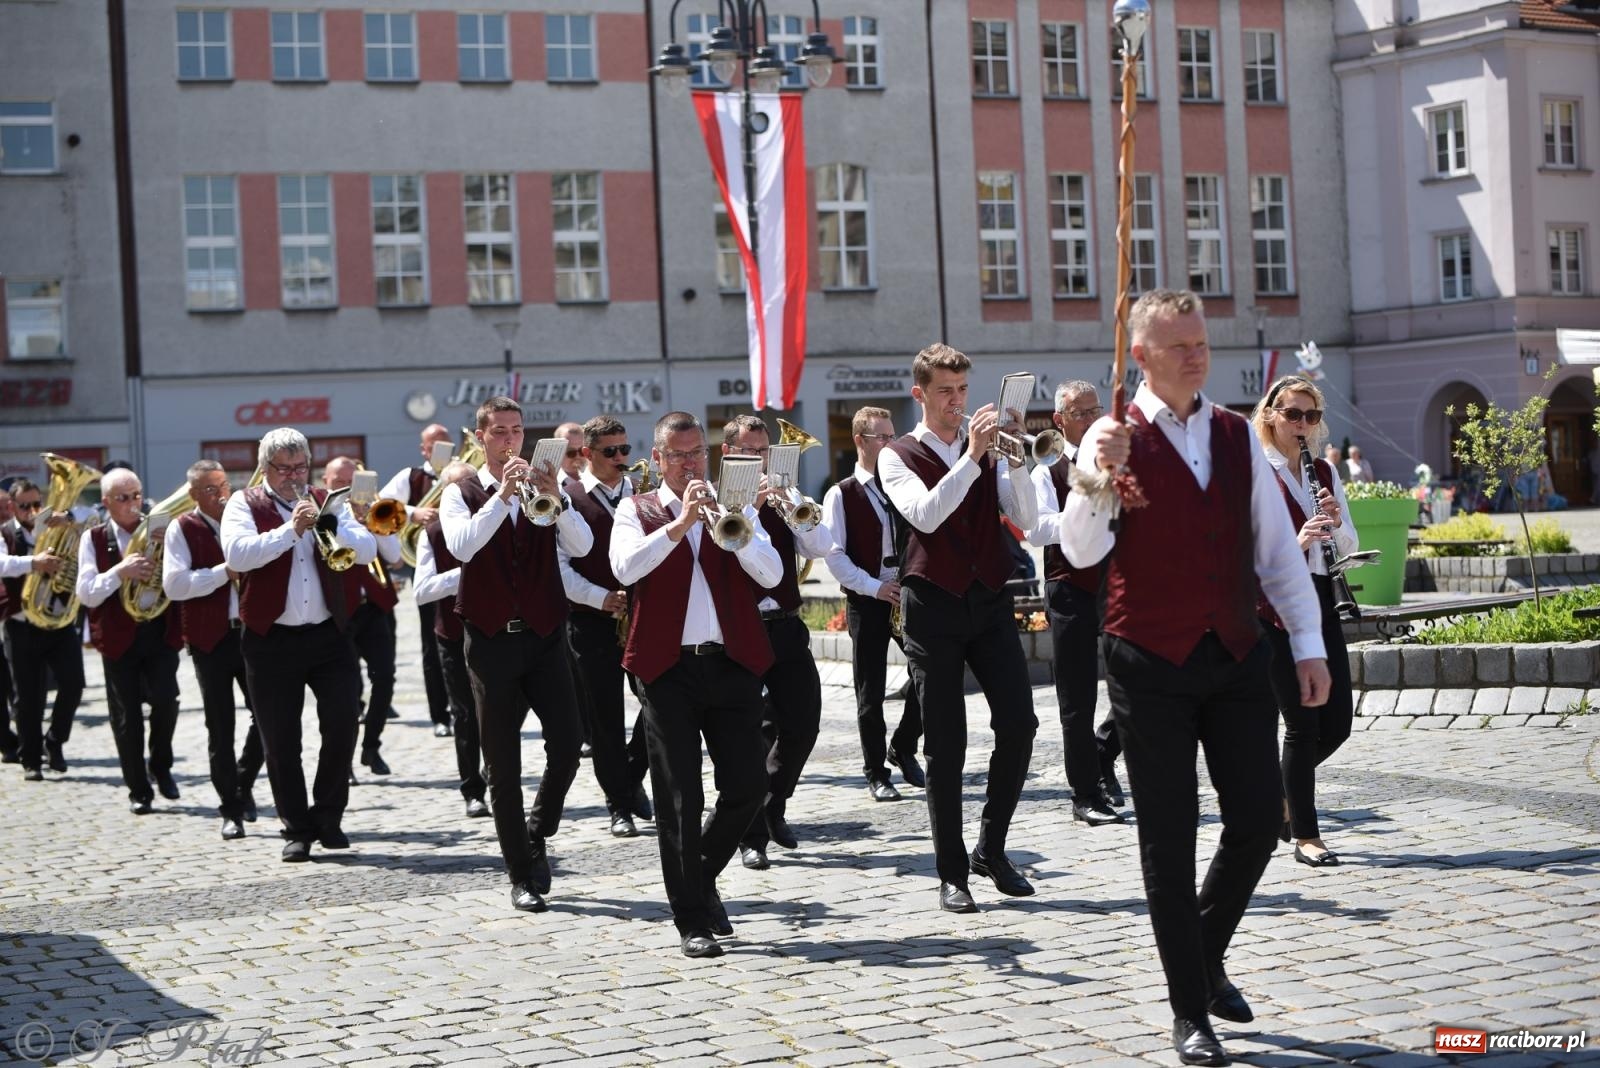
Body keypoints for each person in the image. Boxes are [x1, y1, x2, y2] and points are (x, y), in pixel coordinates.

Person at [1061, 289, 1331, 1067]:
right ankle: (1190, 1011)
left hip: (1238, 649)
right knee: (1168, 836)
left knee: (1256, 819)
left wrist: (1307, 645)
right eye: (1177, 344)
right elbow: (1079, 554)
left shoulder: (1236, 434)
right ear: (1139, 354)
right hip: (1147, 657)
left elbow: (1276, 551)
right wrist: (1091, 473)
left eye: (1201, 341)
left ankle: (1203, 952)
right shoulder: (1113, 437)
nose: (1195, 354)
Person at [609, 410, 781, 958]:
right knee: (681, 796)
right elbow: (624, 569)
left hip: (731, 662)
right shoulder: (634, 508)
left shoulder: (730, 509)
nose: (689, 464)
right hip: (667, 670)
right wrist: (679, 525)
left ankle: (699, 878)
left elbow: (771, 574)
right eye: (678, 455)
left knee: (749, 788)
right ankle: (691, 919)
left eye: (696, 454)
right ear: (658, 460)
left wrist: (730, 531)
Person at [878, 343, 1040, 914]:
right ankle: (952, 873)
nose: (958, 402)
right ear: (920, 394)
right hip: (933, 606)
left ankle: (990, 848)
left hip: (990, 599)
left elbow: (1025, 520)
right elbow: (924, 515)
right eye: (946, 391)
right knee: (946, 745)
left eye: (963, 390)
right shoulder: (895, 455)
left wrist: (1016, 462)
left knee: (1021, 723)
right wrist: (971, 456)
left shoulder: (990, 451)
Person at [440, 396, 593, 914]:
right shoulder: (460, 492)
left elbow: (584, 544)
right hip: (489, 641)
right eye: (500, 432)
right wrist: (501, 497)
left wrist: (559, 499)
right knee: (501, 765)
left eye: (517, 431)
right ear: (481, 437)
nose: (510, 441)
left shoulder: (546, 485)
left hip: (545, 633)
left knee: (570, 741)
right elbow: (461, 547)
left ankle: (538, 827)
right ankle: (520, 873)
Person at [223, 427, 377, 862]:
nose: (293, 476)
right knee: (281, 739)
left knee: (344, 723)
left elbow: (366, 550)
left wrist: (330, 525)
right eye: (284, 468)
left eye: (300, 466)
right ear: (265, 468)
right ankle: (296, 827)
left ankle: (329, 816)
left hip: (329, 633)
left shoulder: (327, 498)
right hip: (270, 638)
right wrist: (290, 531)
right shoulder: (243, 502)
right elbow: (237, 555)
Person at [1252, 377, 1358, 869]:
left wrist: (1335, 524)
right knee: (1300, 723)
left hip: (1318, 598)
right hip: (1273, 605)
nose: (1302, 425)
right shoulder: (1255, 469)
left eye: (1311, 417)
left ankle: (1276, 794)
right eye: (1293, 415)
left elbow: (1350, 547)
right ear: (1271, 414)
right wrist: (1294, 542)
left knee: (1338, 725)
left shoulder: (1324, 471)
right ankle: (1306, 835)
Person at [721, 415, 832, 870]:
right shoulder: (718, 498)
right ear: (729, 454)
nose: (759, 460)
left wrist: (791, 503)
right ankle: (751, 834)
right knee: (747, 734)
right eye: (749, 451)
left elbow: (821, 546)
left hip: (785, 625)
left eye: (764, 451)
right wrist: (748, 504)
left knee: (803, 722)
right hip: (740, 629)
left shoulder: (789, 496)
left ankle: (774, 803)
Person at [1024, 380, 1122, 827]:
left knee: (1139, 683)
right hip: (1070, 588)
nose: (1090, 420)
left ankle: (1102, 752)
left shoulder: (1115, 462)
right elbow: (1037, 530)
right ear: (1059, 421)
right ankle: (1084, 793)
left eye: (1095, 410)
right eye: (1080, 413)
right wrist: (1085, 511)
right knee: (1077, 698)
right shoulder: (1047, 469)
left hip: (1118, 585)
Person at [821, 405, 924, 802]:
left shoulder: (901, 482)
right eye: (881, 437)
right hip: (868, 599)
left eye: (892, 435)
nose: (889, 443)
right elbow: (834, 555)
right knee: (871, 690)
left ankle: (904, 746)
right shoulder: (841, 493)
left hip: (905, 592)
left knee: (927, 673)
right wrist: (873, 588)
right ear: (860, 441)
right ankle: (876, 771)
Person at [558, 415, 653, 838]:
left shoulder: (644, 494)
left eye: (625, 450)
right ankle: (619, 804)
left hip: (645, 620)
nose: (620, 458)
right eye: (610, 451)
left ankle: (630, 779)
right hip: (591, 622)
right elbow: (558, 568)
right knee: (605, 720)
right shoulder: (567, 496)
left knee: (658, 709)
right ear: (586, 455)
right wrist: (601, 598)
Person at [162, 460, 266, 838]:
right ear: (193, 495)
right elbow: (175, 585)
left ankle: (243, 781)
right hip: (210, 639)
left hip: (252, 633)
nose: (221, 494)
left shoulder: (245, 517)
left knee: (267, 717)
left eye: (223, 485)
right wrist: (225, 572)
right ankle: (231, 809)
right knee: (220, 726)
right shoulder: (182, 528)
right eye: (210, 489)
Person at [75, 467, 186, 814]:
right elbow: (86, 593)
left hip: (158, 630)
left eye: (136, 495)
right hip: (119, 637)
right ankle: (139, 789)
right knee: (127, 718)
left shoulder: (158, 529)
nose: (133, 504)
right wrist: (119, 572)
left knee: (167, 702)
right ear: (107, 502)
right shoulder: (92, 538)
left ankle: (161, 765)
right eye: (123, 498)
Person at [412, 461, 489, 820]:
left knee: (505, 710)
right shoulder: (432, 533)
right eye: (458, 489)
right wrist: (464, 575)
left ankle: (496, 774)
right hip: (453, 634)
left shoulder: (494, 520)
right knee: (465, 715)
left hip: (495, 633)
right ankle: (473, 790)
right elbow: (422, 591)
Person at [0, 477, 88, 781]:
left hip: (58, 620)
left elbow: (96, 516)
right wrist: (33, 563)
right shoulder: (4, 533)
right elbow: (1, 563)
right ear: (12, 506)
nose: (32, 511)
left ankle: (55, 740)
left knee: (74, 683)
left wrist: (71, 518)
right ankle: (31, 758)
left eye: (37, 504)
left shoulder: (57, 527)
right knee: (27, 696)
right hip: (22, 624)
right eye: (25, 506)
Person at [323, 456, 401, 777]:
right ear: (326, 482)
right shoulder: (324, 513)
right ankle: (347, 756)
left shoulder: (374, 509)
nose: (345, 488)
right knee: (347, 688)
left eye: (351, 481)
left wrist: (372, 519)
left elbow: (394, 556)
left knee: (384, 678)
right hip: (340, 610)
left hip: (375, 607)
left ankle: (372, 746)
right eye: (338, 481)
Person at [381, 422, 455, 738]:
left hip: (463, 564)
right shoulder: (410, 477)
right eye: (434, 444)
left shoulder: (463, 473)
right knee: (431, 642)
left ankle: (466, 707)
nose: (440, 449)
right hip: (426, 566)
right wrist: (414, 513)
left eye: (445, 443)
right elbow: (380, 509)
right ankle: (440, 714)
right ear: (423, 449)